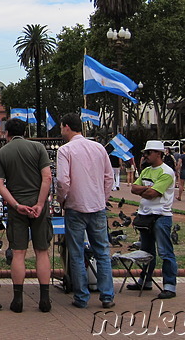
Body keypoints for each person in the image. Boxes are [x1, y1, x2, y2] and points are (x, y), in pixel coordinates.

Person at [0, 118, 53, 314]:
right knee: (41, 251)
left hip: (16, 207)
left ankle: (17, 299)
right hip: (39, 206)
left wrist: (16, 205)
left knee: (18, 253)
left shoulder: (2, 153)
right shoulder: (38, 148)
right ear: (25, 131)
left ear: (7, 133)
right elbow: (47, 177)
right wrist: (40, 203)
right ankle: (44, 299)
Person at [55, 113, 115, 309]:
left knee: (77, 253)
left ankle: (82, 297)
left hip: (75, 207)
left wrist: (61, 200)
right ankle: (107, 295)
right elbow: (109, 178)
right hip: (97, 206)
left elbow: (63, 181)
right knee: (102, 252)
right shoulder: (99, 148)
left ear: (66, 127)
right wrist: (102, 198)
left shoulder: (65, 150)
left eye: (61, 127)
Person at [129, 140, 178, 299]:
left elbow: (152, 194)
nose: (145, 156)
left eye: (148, 153)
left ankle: (170, 286)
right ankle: (145, 281)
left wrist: (143, 191)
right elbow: (133, 188)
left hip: (160, 216)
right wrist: (147, 189)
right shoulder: (146, 171)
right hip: (145, 215)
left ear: (159, 153)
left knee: (165, 252)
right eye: (145, 153)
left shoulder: (167, 172)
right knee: (146, 251)